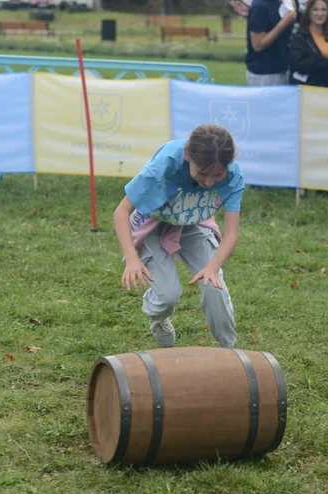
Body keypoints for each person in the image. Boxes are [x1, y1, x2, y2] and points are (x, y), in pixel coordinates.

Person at [114, 125, 244, 349]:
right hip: (153, 221)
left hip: (194, 220)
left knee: (215, 287)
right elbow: (121, 212)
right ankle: (159, 316)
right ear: (187, 156)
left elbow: (232, 232)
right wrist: (132, 259)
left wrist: (213, 266)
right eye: (202, 173)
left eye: (218, 175)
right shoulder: (162, 168)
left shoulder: (233, 177)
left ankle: (230, 351)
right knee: (168, 294)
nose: (210, 182)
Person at [289, 0, 328, 87]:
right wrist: (324, 63)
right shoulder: (300, 38)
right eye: (315, 9)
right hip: (308, 89)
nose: (320, 14)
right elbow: (298, 64)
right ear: (309, 12)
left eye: (323, 10)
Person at [245, 0, 296, 85]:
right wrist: (284, 22)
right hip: (265, 73)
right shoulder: (260, 6)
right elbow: (258, 45)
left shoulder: (283, 2)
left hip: (283, 68)